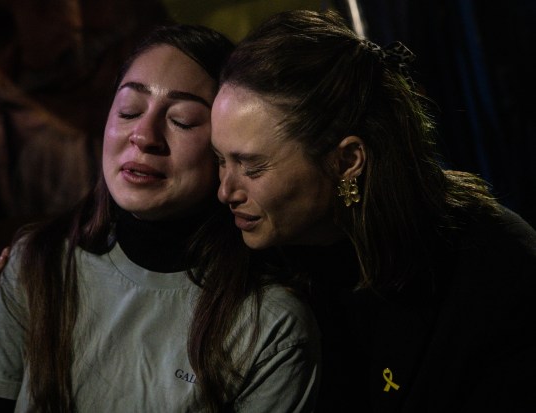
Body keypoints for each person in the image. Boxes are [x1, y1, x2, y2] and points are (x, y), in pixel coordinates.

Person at [0, 23, 320, 413]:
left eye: (181, 120)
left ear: (225, 147)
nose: (144, 135)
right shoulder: (37, 264)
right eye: (129, 111)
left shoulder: (270, 324)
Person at [210, 9, 536, 413]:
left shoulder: (492, 270)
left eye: (252, 167)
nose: (225, 190)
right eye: (220, 159)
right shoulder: (258, 259)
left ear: (347, 160)